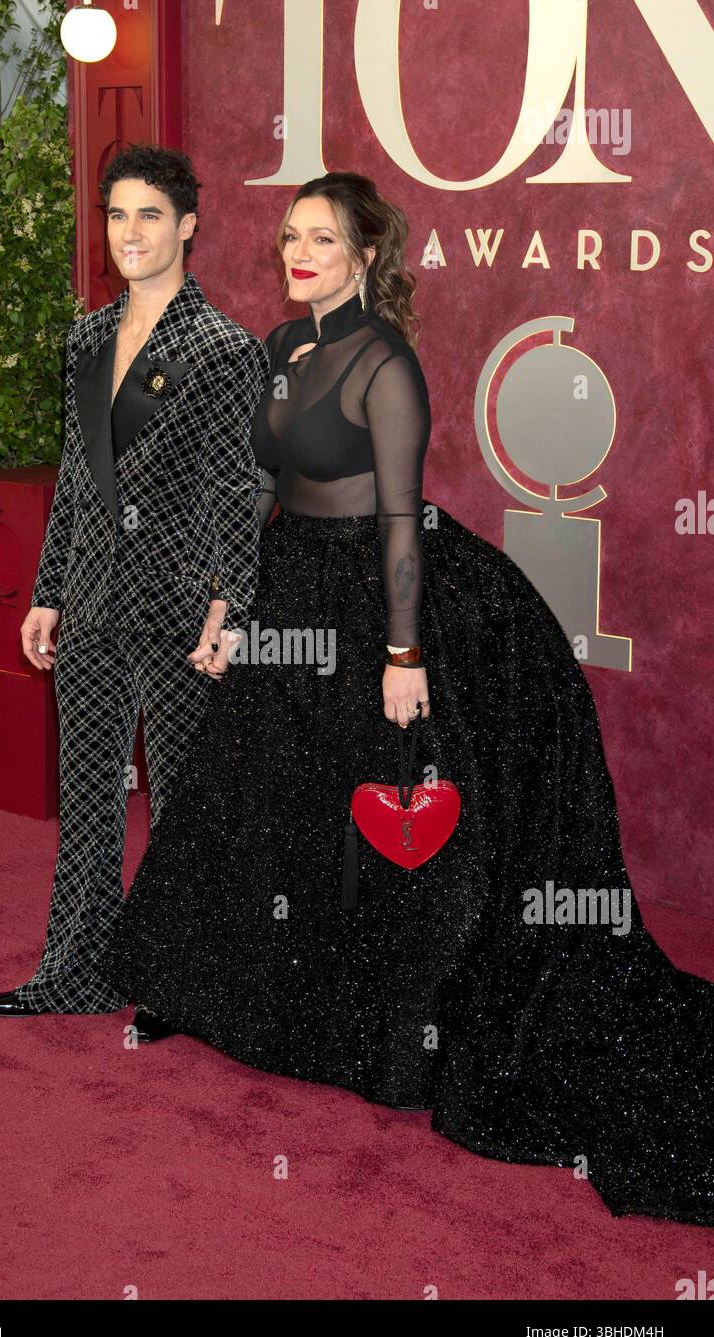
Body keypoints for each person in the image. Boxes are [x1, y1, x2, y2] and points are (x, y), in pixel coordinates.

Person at [100, 171, 714, 1225]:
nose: (300, 256)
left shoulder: (387, 364)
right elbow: (261, 496)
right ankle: (209, 996)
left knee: (383, 811)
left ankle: (396, 1037)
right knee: (256, 795)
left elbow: (398, 519)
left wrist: (404, 654)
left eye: (324, 241)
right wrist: (226, 607)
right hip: (291, 582)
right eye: (291, 237)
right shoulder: (286, 351)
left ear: (368, 255)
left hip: (377, 595)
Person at [0, 144, 269, 1018]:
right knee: (90, 793)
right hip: (96, 599)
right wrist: (48, 590)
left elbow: (236, 486)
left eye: (149, 215)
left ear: (187, 227)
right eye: (116, 215)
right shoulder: (89, 338)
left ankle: (185, 981)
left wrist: (229, 603)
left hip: (181, 603)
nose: (130, 232)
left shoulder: (222, 350)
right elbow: (76, 473)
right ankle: (76, 970)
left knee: (180, 800)